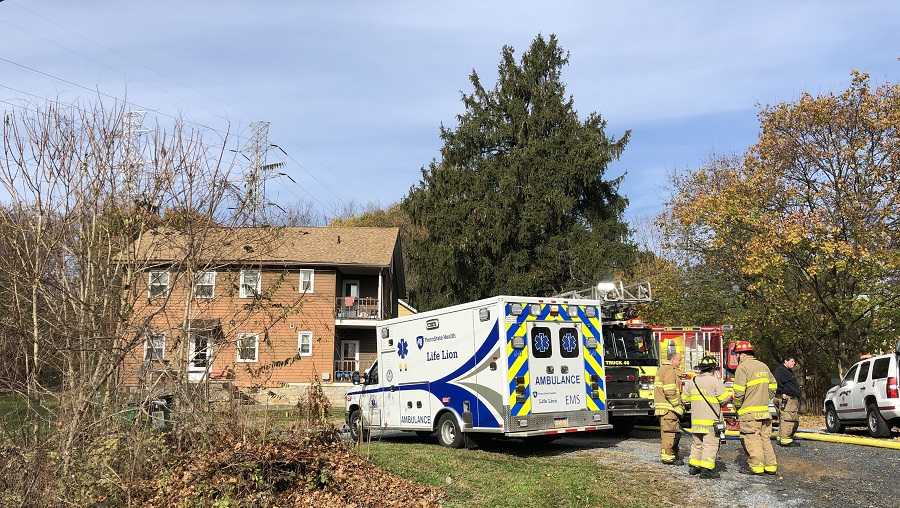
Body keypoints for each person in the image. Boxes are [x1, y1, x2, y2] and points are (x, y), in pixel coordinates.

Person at [732, 340, 778, 475]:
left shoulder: (743, 368)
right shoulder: (764, 366)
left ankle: (756, 466)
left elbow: (739, 392)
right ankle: (771, 466)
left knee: (752, 438)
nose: (738, 358)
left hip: (749, 412)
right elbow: (773, 385)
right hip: (764, 412)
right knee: (765, 438)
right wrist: (765, 397)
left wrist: (737, 406)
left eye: (737, 355)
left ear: (741, 355)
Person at [683, 355, 730, 479]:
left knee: (697, 444)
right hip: (711, 421)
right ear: (713, 369)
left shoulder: (691, 381)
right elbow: (724, 400)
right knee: (710, 444)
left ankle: (694, 467)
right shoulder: (715, 381)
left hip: (696, 421)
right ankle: (707, 470)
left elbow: (685, 400)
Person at [655, 350, 684, 465]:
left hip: (665, 408)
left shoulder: (662, 369)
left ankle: (671, 454)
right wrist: (677, 405)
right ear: (673, 360)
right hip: (669, 408)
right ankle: (668, 457)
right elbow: (670, 391)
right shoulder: (669, 370)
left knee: (669, 432)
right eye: (679, 360)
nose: (680, 363)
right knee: (669, 433)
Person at [774, 357, 801, 446]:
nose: (794, 363)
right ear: (786, 361)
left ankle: (780, 437)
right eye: (792, 361)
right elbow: (778, 384)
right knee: (788, 418)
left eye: (794, 361)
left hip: (784, 397)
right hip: (787, 398)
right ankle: (786, 439)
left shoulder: (784, 371)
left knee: (783, 418)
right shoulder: (782, 371)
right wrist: (783, 393)